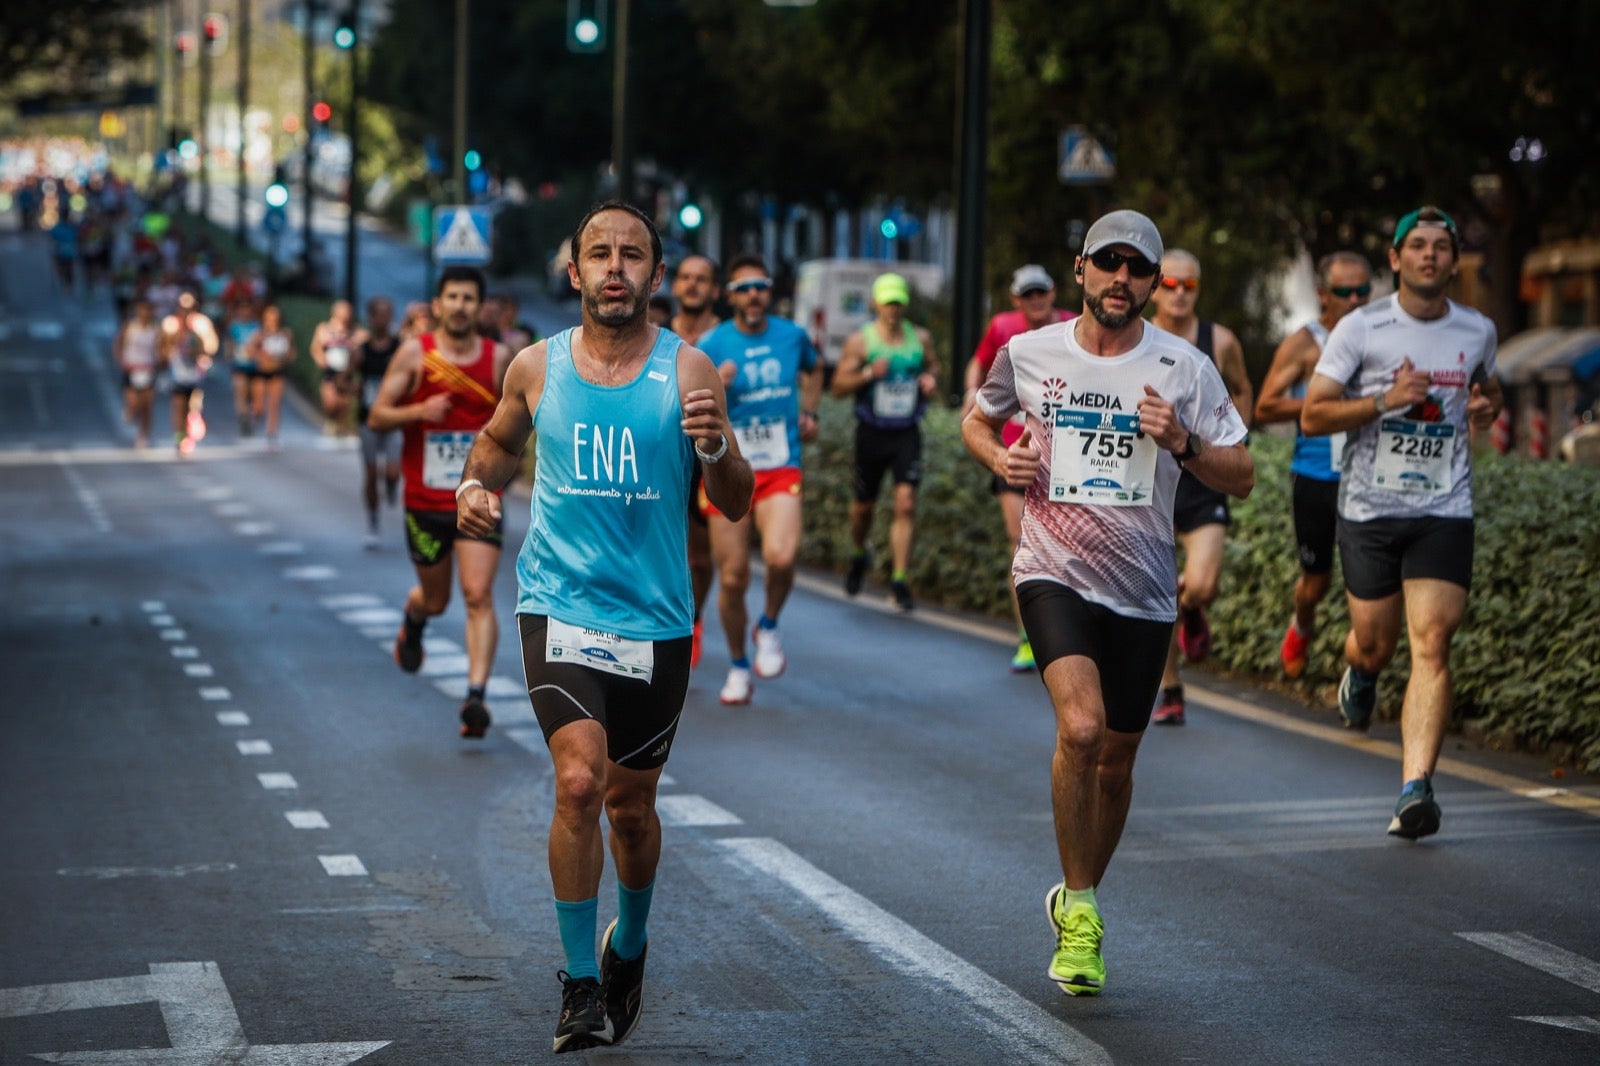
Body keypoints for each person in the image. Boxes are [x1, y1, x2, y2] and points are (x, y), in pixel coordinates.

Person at [454, 201, 752, 1051]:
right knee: (579, 784)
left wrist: (720, 446)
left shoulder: (689, 371)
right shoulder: (535, 368)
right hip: (559, 604)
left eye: (631, 256)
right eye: (599, 254)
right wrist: (478, 487)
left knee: (631, 808)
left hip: (654, 621)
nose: (614, 268)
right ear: (574, 270)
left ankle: (631, 944)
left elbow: (733, 503)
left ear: (655, 277)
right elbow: (496, 445)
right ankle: (581, 984)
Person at [962, 208, 1252, 997]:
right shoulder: (1028, 353)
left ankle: (1078, 888)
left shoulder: (1185, 368)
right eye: (1108, 263)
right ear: (1081, 270)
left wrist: (1185, 444)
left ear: (1155, 286)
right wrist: (1000, 459)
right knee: (1082, 729)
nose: (1121, 279)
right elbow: (976, 418)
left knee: (1118, 763)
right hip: (1052, 569)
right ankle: (1082, 911)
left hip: (1145, 587)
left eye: (1138, 268)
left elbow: (1243, 472)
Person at [1301, 206, 1501, 840]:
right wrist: (1383, 399)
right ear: (1395, 258)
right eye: (1417, 245)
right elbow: (1312, 415)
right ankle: (1360, 671)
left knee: (1433, 644)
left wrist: (1485, 406)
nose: (1430, 256)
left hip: (1444, 508)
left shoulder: (1479, 329)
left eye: (1442, 246)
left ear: (1453, 259)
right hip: (1369, 512)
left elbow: (1487, 396)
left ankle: (1416, 788)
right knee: (1376, 641)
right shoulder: (1361, 329)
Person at [367, 267, 512, 739]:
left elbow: (521, 423)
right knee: (437, 598)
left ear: (480, 306)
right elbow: (376, 416)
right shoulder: (416, 354)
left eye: (469, 298)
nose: (461, 306)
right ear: (439, 303)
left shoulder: (498, 359)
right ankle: (415, 618)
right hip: (425, 501)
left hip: (478, 498)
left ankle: (475, 697)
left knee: (477, 594)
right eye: (453, 297)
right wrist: (418, 411)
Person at [696, 254, 821, 705]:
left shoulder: (793, 337)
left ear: (771, 293)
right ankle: (737, 665)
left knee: (782, 558)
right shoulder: (710, 345)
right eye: (744, 288)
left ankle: (767, 624)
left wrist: (810, 411)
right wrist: (716, 387)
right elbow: (685, 405)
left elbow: (815, 368)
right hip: (728, 469)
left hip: (779, 464)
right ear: (729, 297)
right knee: (732, 578)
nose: (754, 295)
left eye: (761, 286)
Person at [1147, 249, 1254, 725]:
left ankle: (1193, 609)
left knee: (1202, 586)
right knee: (1161, 591)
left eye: (1188, 286)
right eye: (1170, 285)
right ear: (1155, 286)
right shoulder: (1136, 340)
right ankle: (1170, 687)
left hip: (1202, 474)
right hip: (1149, 477)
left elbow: (1242, 387)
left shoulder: (1220, 340)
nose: (1179, 295)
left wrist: (1235, 437)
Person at [1254, 251, 1373, 677]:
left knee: (1368, 581)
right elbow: (1265, 406)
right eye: (1345, 292)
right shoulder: (1305, 343)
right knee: (1317, 581)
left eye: (1363, 290)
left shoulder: (1382, 336)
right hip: (1317, 476)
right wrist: (1322, 403)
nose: (1356, 300)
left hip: (1369, 474)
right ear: (1324, 295)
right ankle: (1301, 624)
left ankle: (1363, 661)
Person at [963, 264, 1076, 671]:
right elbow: (978, 364)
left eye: (1042, 292)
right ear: (1016, 300)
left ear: (1053, 292)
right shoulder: (1003, 327)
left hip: (1062, 457)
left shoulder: (1072, 325)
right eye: (1028, 295)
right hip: (1015, 451)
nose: (1036, 300)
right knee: (1020, 542)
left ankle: (1071, 630)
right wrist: (971, 397)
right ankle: (1028, 637)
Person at [830, 272, 939, 612]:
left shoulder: (919, 338)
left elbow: (934, 368)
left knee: (906, 503)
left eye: (898, 302)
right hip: (872, 432)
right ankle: (859, 552)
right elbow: (837, 388)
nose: (893, 308)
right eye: (887, 301)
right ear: (876, 303)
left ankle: (899, 578)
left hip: (906, 431)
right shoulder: (861, 342)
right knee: (863, 507)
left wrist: (929, 380)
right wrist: (866, 374)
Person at [668, 254, 724, 666]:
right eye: (685, 278)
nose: (692, 285)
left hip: (707, 458)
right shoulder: (658, 337)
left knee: (701, 559)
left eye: (701, 279)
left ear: (714, 290)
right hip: (665, 456)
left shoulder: (726, 339)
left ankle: (696, 616)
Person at [356, 297, 404, 548]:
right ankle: (373, 521)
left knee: (393, 472)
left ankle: (393, 486)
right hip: (368, 421)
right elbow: (349, 378)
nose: (382, 319)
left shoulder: (400, 348)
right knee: (371, 474)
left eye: (387, 314)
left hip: (395, 419)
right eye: (378, 314)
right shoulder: (361, 350)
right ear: (371, 318)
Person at [161, 291, 220, 456]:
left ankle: (191, 425)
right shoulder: (170, 324)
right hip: (176, 372)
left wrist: (198, 350)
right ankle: (180, 437)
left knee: (192, 405)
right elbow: (162, 346)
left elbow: (211, 345)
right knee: (178, 404)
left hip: (195, 372)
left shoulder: (202, 323)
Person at [245, 303, 295, 450]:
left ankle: (272, 434)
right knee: (259, 406)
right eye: (269, 318)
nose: (273, 321)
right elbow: (249, 350)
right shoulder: (260, 334)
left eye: (275, 318)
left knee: (274, 404)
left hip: (277, 373)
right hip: (261, 373)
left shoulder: (285, 334)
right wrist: (262, 356)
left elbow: (292, 354)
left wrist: (283, 357)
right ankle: (254, 415)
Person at [114, 296, 161, 448]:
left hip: (148, 369)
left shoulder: (156, 328)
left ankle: (143, 435)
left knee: (147, 405)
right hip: (132, 368)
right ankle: (130, 412)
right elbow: (119, 343)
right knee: (134, 403)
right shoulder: (130, 326)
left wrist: (160, 360)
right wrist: (121, 359)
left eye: (147, 310)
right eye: (141, 309)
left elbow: (161, 348)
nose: (144, 313)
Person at [311, 299, 361, 433]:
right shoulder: (324, 329)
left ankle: (340, 428)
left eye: (348, 311)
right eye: (343, 311)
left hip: (346, 371)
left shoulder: (355, 330)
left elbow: (364, 343)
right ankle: (331, 419)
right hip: (330, 370)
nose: (346, 314)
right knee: (331, 402)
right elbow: (316, 348)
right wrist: (320, 359)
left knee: (344, 403)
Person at [226, 296, 263, 437]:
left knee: (257, 397)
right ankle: (243, 418)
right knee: (240, 393)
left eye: (247, 308)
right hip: (240, 365)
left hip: (256, 367)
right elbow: (229, 345)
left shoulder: (257, 326)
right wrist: (229, 359)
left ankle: (253, 415)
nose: (245, 311)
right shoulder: (234, 326)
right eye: (242, 308)